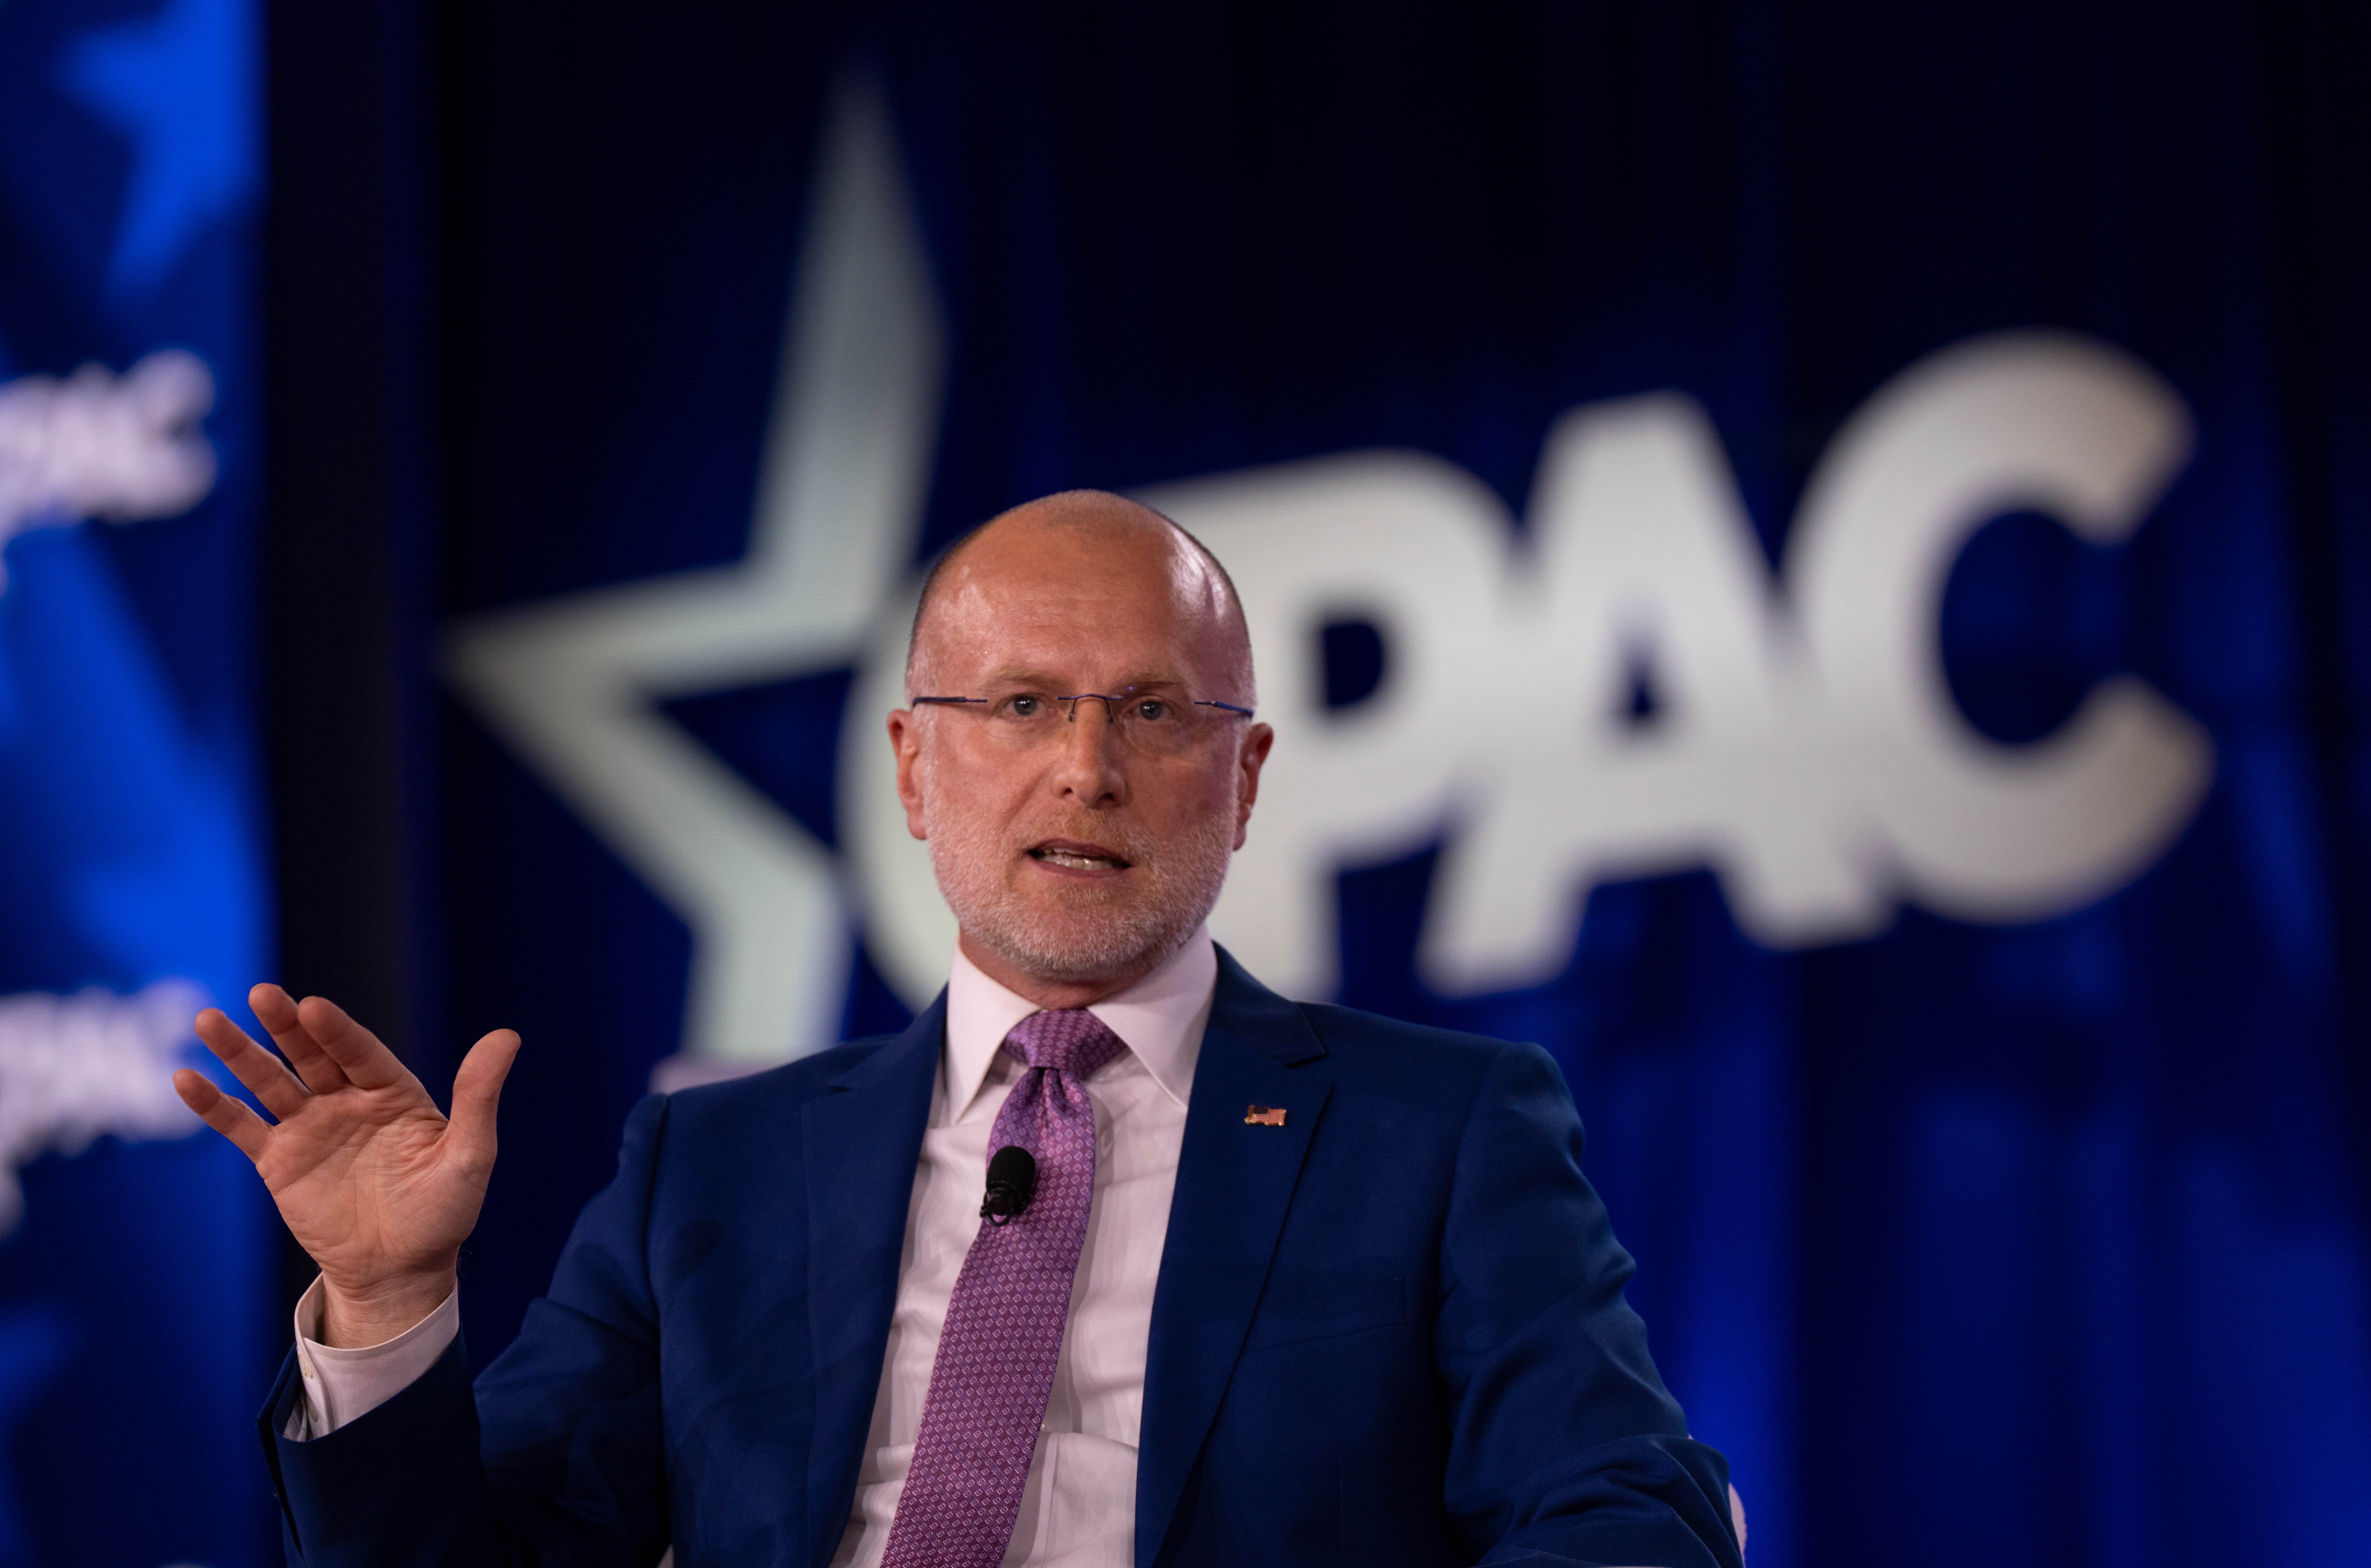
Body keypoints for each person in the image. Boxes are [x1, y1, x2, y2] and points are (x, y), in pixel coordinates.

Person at [176, 491, 1743, 1568]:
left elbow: (1620, 1511)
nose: (1084, 767)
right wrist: (386, 1306)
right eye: (1017, 706)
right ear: (913, 771)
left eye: (1152, 711)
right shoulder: (707, 1167)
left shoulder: (1442, 1130)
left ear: (1247, 778)